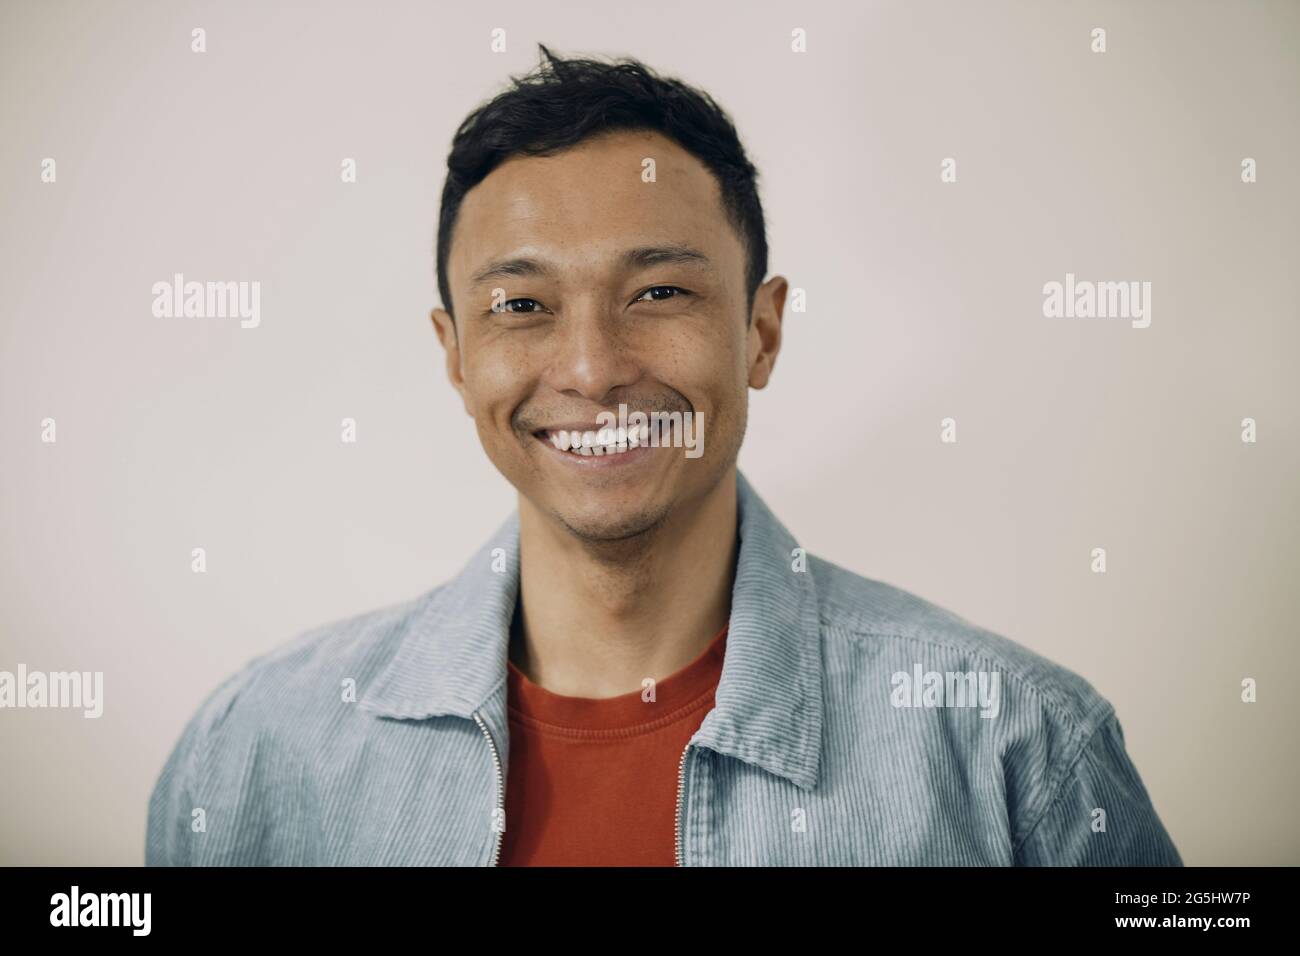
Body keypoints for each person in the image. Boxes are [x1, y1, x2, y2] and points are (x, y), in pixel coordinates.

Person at [147, 45, 1182, 866]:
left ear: (761, 332)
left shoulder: (1016, 747)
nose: (593, 368)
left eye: (659, 292)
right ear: (454, 356)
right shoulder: (255, 754)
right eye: (522, 306)